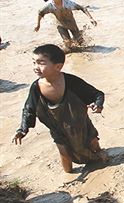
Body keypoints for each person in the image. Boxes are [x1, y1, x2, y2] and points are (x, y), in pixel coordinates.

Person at [12, 44, 106, 173]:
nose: (35, 67)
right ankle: (70, 176)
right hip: (58, 128)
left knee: (93, 143)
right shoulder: (36, 88)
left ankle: (101, 157)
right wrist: (23, 129)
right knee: (64, 153)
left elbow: (96, 94)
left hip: (81, 123)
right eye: (34, 62)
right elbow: (29, 109)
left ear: (58, 66)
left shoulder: (71, 82)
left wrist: (98, 105)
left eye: (41, 63)